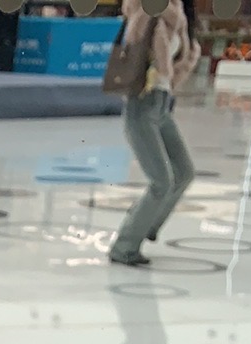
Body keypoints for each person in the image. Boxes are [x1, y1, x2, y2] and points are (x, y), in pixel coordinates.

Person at [109, 0, 200, 269]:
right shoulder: (144, 9)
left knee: (184, 172)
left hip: (162, 106)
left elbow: (183, 58)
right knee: (161, 181)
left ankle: (145, 221)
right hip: (141, 104)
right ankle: (124, 247)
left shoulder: (178, 15)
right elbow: (134, 35)